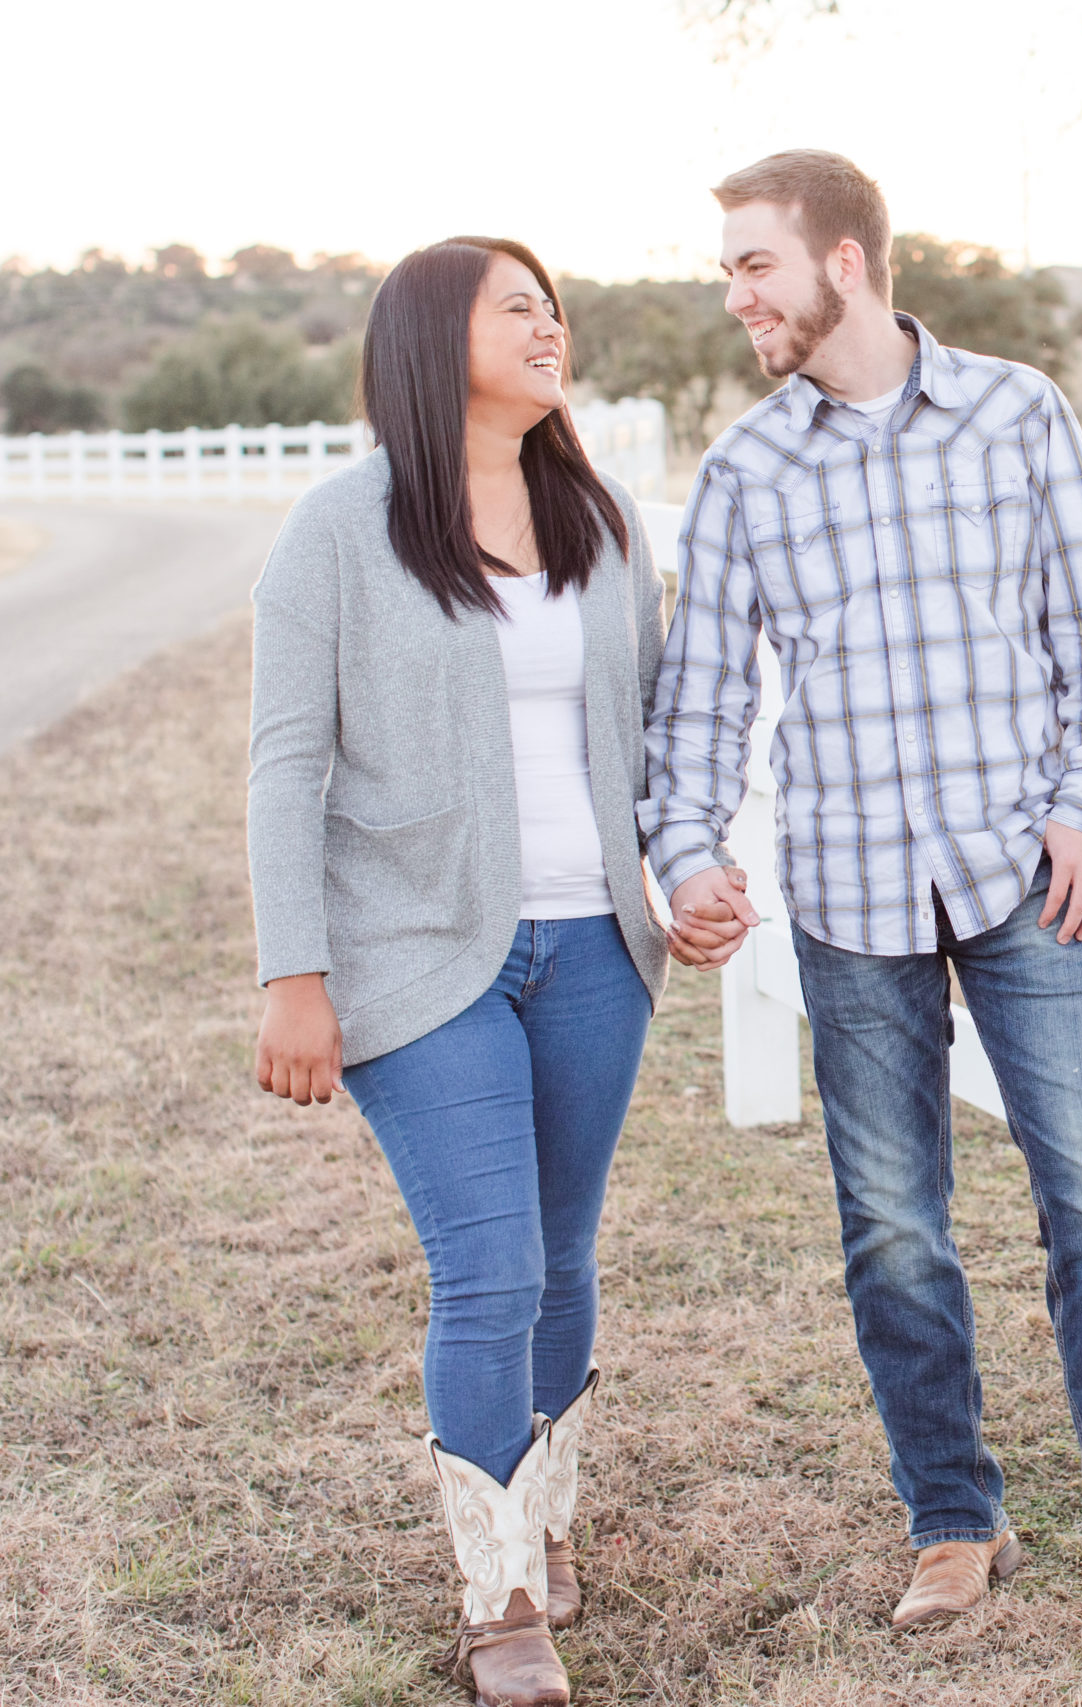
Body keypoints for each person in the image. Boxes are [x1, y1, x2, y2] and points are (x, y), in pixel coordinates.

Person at [640, 150, 1082, 1639]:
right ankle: (953, 1523)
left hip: (1022, 878)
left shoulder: (1016, 411)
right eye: (728, 272)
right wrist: (689, 850)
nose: (735, 299)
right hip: (847, 893)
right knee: (895, 1225)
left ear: (844, 263)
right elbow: (702, 698)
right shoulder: (749, 471)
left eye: (753, 266)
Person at [247, 236, 719, 1706]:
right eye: (515, 306)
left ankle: (547, 1522)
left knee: (564, 1258)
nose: (548, 326)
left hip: (593, 943)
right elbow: (284, 766)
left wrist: (685, 875)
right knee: (489, 1267)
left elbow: (657, 733)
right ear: (429, 334)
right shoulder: (340, 529)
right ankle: (497, 1593)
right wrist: (292, 974)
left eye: (553, 306)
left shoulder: (602, 513)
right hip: (415, 951)